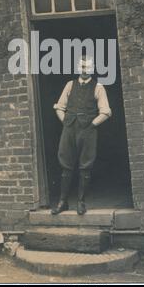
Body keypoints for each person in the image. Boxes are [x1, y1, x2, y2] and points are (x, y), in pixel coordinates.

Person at [52, 54, 112, 215]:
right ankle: (62, 202)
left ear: (92, 68)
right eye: (82, 66)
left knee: (85, 165)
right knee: (66, 163)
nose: (85, 70)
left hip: (88, 131)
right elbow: (59, 107)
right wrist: (66, 121)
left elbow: (106, 112)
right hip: (69, 129)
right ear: (78, 68)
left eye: (88, 67)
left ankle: (81, 202)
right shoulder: (70, 85)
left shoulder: (98, 87)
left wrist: (92, 125)